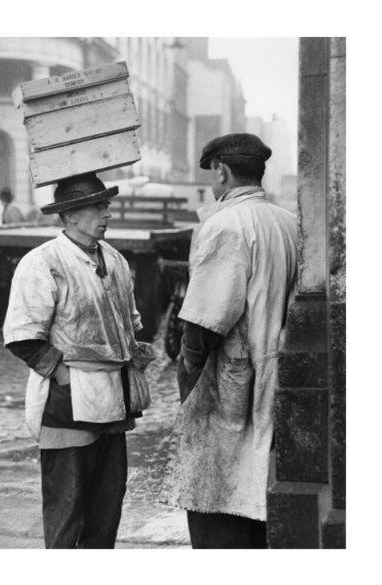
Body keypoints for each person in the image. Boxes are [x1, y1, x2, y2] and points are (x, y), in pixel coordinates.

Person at [3, 172, 154, 549]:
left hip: (113, 400)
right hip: (66, 404)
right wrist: (65, 376)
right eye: (97, 206)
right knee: (67, 506)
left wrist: (134, 350)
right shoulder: (43, 263)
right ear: (69, 215)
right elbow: (23, 336)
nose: (108, 213)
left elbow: (129, 321)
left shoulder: (115, 260)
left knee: (106, 505)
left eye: (107, 204)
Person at [161, 133, 297, 548]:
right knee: (258, 492)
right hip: (276, 370)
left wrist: (188, 374)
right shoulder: (287, 221)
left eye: (212, 175)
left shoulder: (225, 223)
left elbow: (205, 320)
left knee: (217, 497)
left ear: (220, 170)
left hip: (233, 379)